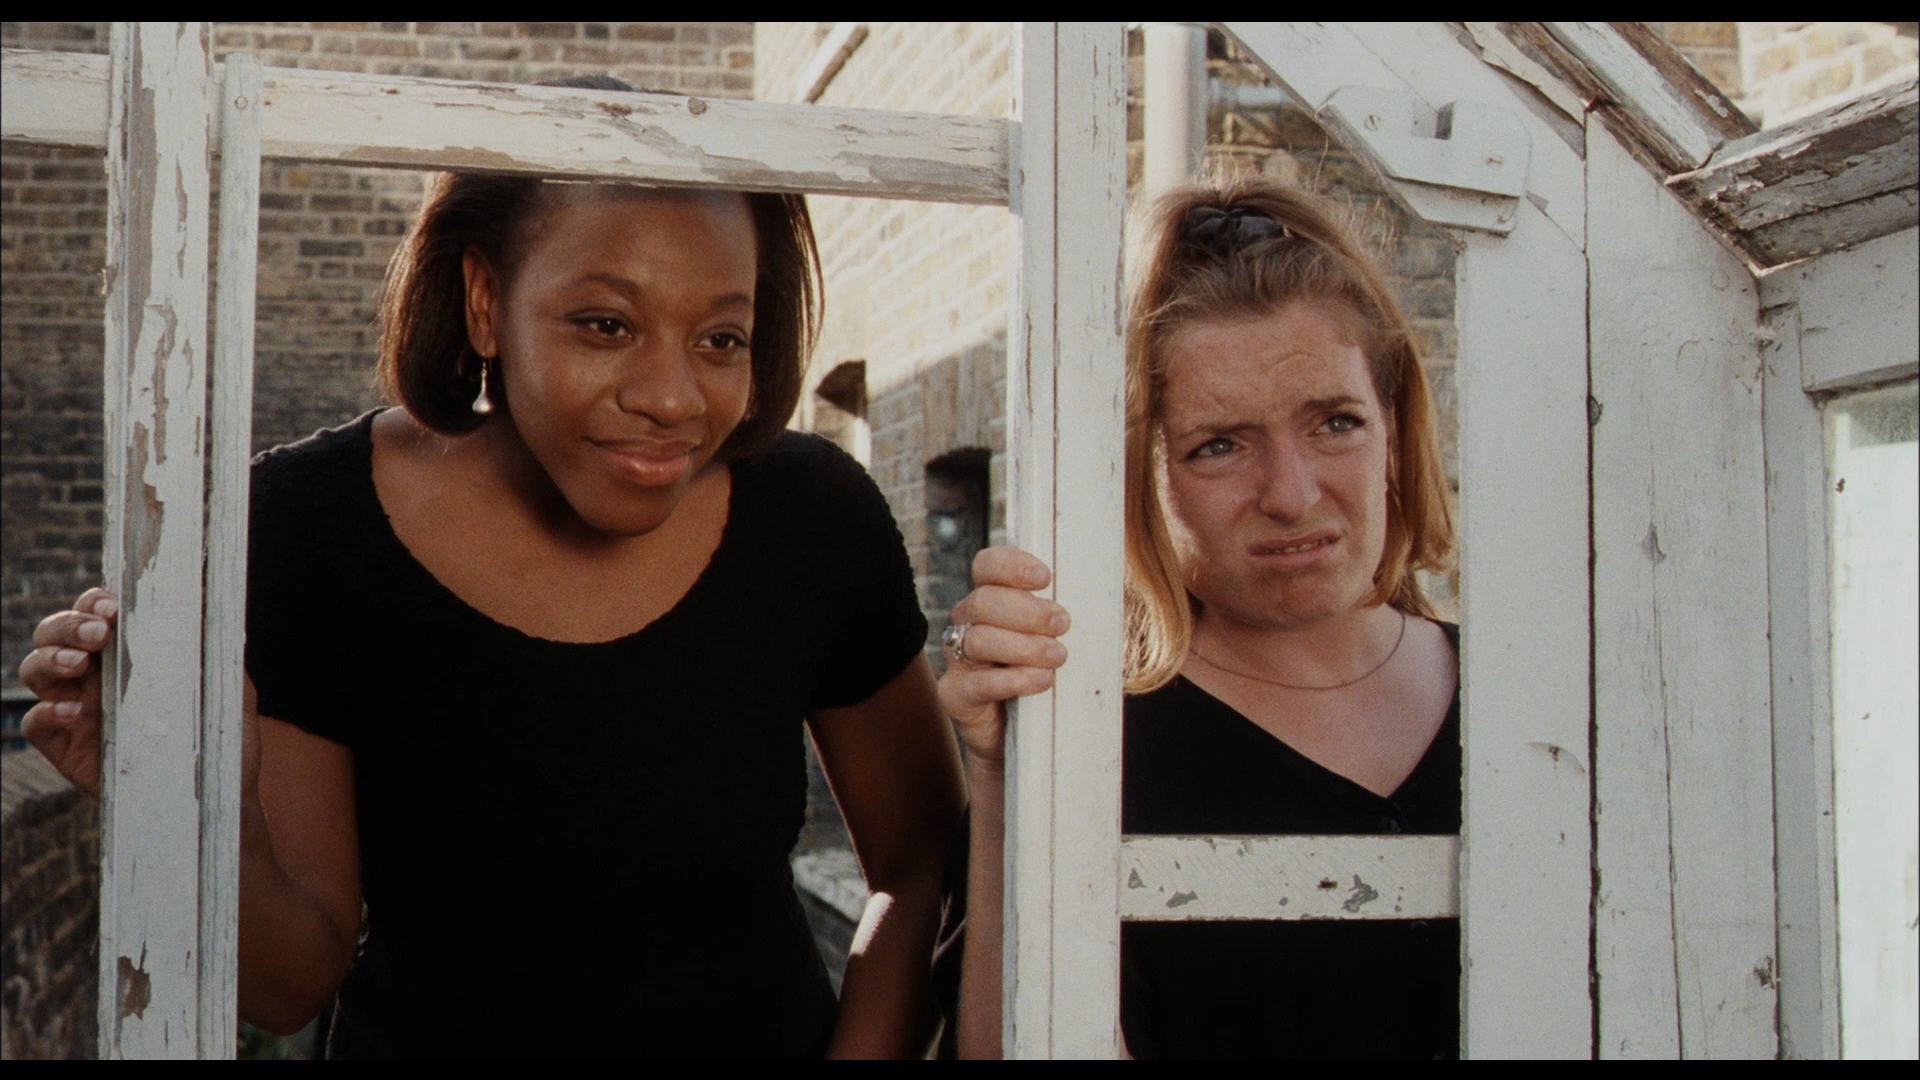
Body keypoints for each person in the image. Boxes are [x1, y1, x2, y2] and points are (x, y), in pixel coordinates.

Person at [19, 76, 966, 1059]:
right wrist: (183, 804)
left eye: (721, 338)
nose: (673, 398)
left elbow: (921, 863)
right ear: (485, 302)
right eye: (607, 325)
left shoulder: (811, 515)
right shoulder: (310, 522)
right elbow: (290, 983)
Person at [937, 176, 1460, 1058]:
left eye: (1335, 423)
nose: (1291, 495)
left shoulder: (1538, 709)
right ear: (1137, 474)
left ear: (1394, 431)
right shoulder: (1095, 743)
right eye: (1219, 444)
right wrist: (1001, 782)